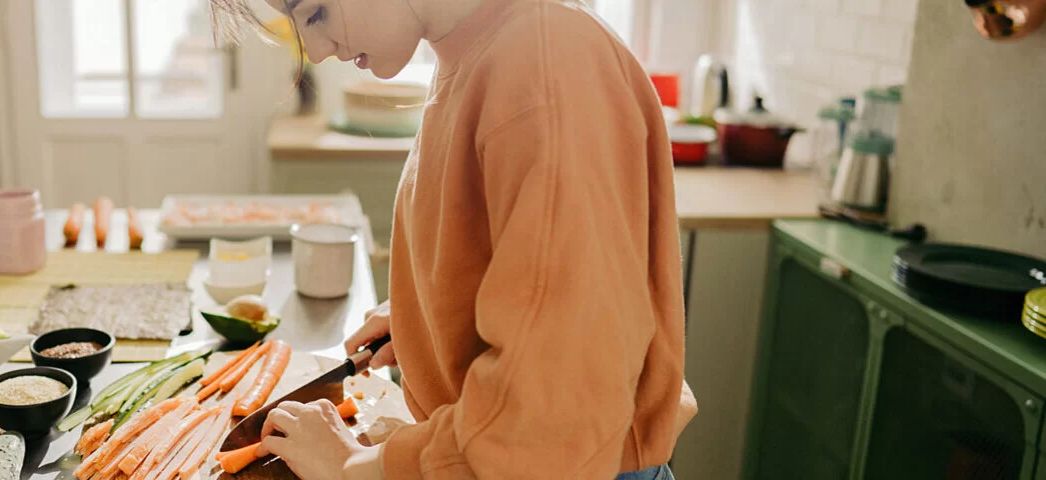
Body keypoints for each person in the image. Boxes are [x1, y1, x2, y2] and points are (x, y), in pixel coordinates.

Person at [211, 0, 699, 477]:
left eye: (316, 13)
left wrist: (355, 466)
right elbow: (523, 277)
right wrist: (432, 322)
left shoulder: (542, 65)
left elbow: (549, 411)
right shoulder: (471, 51)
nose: (314, 52)